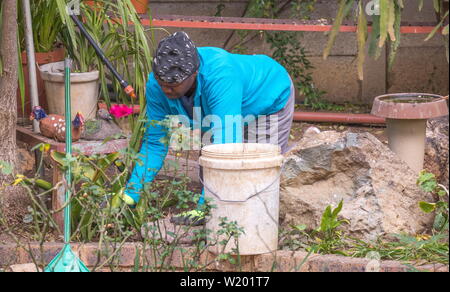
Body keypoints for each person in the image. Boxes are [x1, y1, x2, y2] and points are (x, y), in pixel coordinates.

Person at [124, 31, 295, 224]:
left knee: (259, 172)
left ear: (194, 73)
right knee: (211, 161)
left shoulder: (220, 75)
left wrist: (203, 209)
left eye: (173, 85)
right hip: (221, 109)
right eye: (162, 83)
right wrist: (130, 196)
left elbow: (226, 148)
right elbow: (155, 143)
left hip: (268, 97)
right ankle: (220, 215)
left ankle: (256, 225)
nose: (166, 89)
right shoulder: (156, 85)